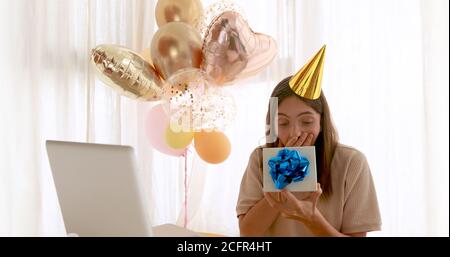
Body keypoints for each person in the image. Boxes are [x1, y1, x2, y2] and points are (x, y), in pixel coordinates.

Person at [236, 46, 381, 237]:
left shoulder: (351, 162)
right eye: (283, 123)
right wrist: (280, 180)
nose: (295, 132)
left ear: (321, 121)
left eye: (306, 121)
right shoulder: (260, 159)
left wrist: (311, 218)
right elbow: (248, 233)